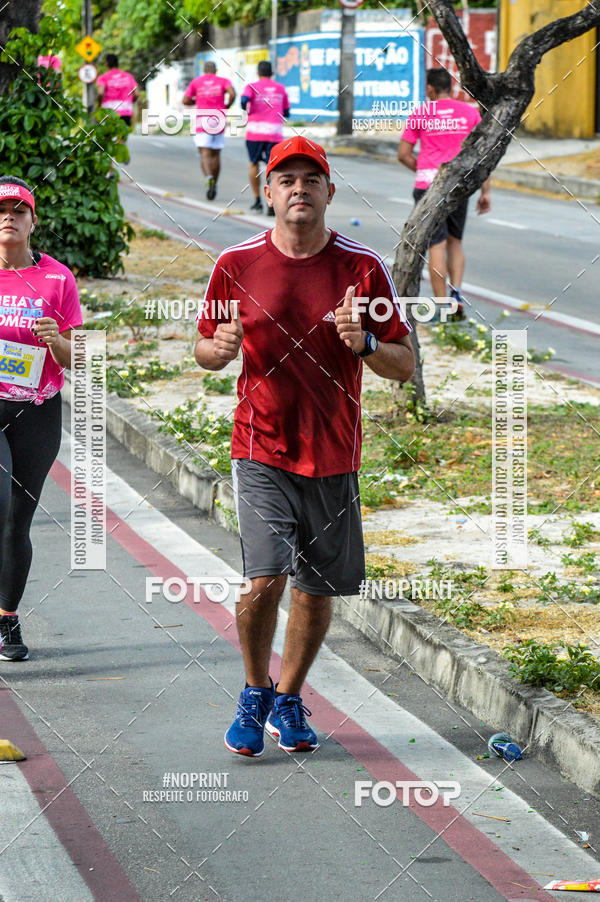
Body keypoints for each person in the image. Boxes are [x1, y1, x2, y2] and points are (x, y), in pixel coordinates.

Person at [195, 136, 415, 757]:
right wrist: (222, 348)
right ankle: (252, 690)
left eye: (310, 179)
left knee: (316, 591)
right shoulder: (236, 264)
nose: (298, 188)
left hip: (334, 453)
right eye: (285, 179)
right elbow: (205, 349)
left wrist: (365, 344)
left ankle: (287, 697)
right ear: (267, 192)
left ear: (328, 192)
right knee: (263, 578)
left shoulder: (361, 269)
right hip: (260, 446)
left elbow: (404, 362)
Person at [0, 177, 83, 661]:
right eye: (1, 211)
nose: (8, 217)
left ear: (33, 221)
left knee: (17, 522)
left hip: (37, 411)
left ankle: (7, 618)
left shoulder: (57, 279)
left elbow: (80, 358)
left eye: (18, 210)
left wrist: (56, 341)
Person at [398, 67, 491, 320]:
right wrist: (485, 191)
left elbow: (403, 154)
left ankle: (442, 308)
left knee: (435, 245)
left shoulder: (421, 113)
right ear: (451, 87)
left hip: (429, 184)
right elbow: (483, 154)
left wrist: (424, 170)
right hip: (460, 184)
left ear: (429, 88)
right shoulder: (470, 113)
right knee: (455, 241)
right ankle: (456, 294)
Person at [241, 61, 290, 215]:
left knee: (254, 164)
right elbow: (287, 111)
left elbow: (243, 101)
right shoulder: (280, 88)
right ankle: (272, 205)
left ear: (258, 72)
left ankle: (257, 201)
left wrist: (248, 110)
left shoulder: (251, 86)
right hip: (274, 133)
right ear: (272, 72)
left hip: (255, 132)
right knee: (273, 169)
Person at [183, 61, 236, 201]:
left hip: (203, 119)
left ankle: (209, 178)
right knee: (216, 154)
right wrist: (227, 106)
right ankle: (215, 183)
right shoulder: (224, 81)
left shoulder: (196, 82)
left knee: (205, 153)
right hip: (218, 118)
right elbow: (232, 93)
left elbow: (185, 100)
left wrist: (196, 101)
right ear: (215, 70)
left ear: (204, 70)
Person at [96, 54, 139, 129]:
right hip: (126, 111)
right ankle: (120, 141)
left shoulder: (103, 78)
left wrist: (99, 105)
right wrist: (131, 101)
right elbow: (137, 93)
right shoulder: (128, 76)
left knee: (108, 135)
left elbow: (100, 93)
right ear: (118, 64)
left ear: (107, 65)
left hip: (109, 111)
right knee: (122, 136)